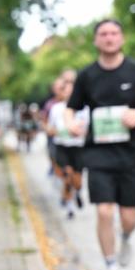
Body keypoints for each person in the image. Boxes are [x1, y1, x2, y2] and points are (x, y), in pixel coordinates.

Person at [65, 20, 135, 270]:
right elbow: (71, 108)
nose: (109, 38)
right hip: (99, 153)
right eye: (103, 34)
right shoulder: (87, 75)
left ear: (122, 38)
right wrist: (71, 124)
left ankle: (126, 236)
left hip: (134, 153)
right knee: (104, 211)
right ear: (96, 40)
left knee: (129, 216)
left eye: (114, 33)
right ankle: (110, 267)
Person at [48, 76, 88, 219]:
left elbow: (91, 129)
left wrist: (81, 132)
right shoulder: (56, 109)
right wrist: (59, 131)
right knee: (67, 174)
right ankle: (70, 207)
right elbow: (50, 129)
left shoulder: (85, 109)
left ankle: (77, 191)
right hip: (62, 146)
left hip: (78, 147)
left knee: (77, 180)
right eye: (67, 91)